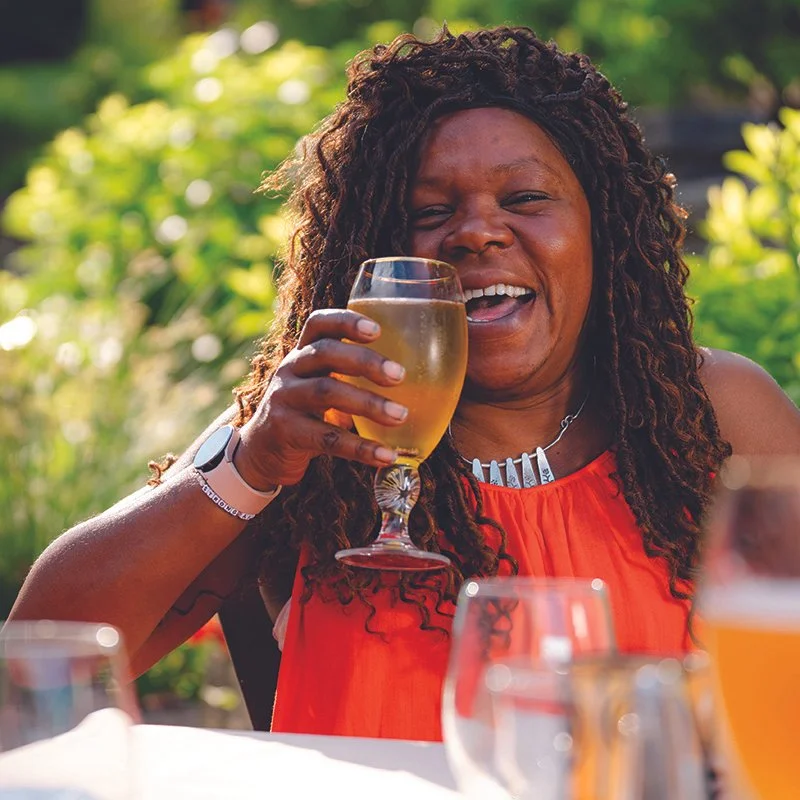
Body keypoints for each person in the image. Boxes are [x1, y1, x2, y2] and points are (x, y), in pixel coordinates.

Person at [9, 26, 800, 742]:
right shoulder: (310, 433)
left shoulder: (714, 418)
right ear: (376, 252)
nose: (477, 231)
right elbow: (35, 661)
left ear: (603, 230)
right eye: (430, 212)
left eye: (524, 199)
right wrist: (250, 466)